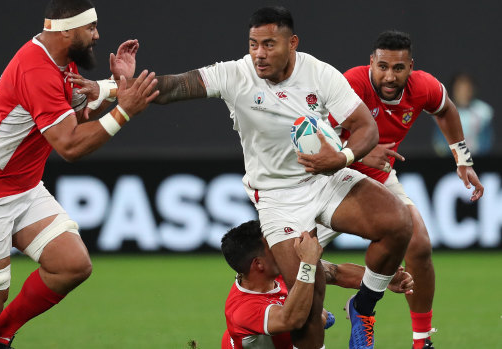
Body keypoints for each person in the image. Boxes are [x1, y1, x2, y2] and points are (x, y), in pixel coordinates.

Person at [70, 6, 413, 349]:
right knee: (308, 296)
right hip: (278, 197)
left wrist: (341, 158)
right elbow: (173, 86)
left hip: (324, 177)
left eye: (269, 44)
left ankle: (363, 307)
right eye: (253, 44)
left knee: (397, 222)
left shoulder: (320, 74)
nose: (259, 54)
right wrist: (113, 87)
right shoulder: (236, 75)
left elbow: (365, 127)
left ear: (292, 43)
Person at [0, 0, 159, 348]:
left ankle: (2, 333)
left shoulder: (61, 62)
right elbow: (69, 146)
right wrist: (123, 112)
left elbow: (78, 118)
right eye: (91, 27)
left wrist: (117, 84)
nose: (97, 35)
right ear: (66, 30)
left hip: (20, 189)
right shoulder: (35, 69)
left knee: (72, 265)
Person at [325, 30, 485, 349]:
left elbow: (446, 110)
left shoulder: (421, 87)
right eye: (382, 66)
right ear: (371, 62)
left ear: (410, 66)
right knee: (294, 266)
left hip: (380, 179)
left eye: (398, 68)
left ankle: (420, 341)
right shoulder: (351, 84)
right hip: (330, 180)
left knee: (420, 246)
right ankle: (334, 314)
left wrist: (462, 160)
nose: (389, 75)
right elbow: (315, 134)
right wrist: (361, 150)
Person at [220, 220, 414, 349]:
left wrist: (383, 279)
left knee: (312, 315)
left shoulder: (274, 270)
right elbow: (292, 319)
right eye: (273, 246)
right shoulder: (243, 310)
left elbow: (335, 273)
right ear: (259, 264)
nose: (280, 246)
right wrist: (307, 263)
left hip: (281, 333)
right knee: (311, 318)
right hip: (279, 329)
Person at [432, 73, 494, 156]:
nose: (464, 93)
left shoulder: (483, 112)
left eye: (467, 89)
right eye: (460, 90)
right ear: (453, 91)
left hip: (479, 160)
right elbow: (440, 144)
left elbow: (487, 142)